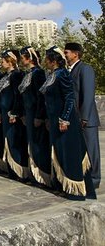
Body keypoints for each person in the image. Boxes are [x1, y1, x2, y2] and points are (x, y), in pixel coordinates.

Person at [41, 46, 96, 200]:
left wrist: (65, 118)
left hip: (65, 122)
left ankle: (75, 190)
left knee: (69, 154)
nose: (45, 61)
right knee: (60, 154)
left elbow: (69, 97)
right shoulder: (52, 75)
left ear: (53, 60)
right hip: (54, 120)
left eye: (47, 58)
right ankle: (63, 186)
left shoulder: (63, 73)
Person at [64, 42, 101, 190]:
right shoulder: (69, 71)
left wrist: (84, 117)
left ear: (75, 54)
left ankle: (94, 179)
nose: (65, 55)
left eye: (66, 52)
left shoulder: (85, 69)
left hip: (86, 120)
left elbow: (88, 95)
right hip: (74, 119)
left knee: (91, 151)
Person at [19, 46, 52, 187]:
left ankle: (43, 177)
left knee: (39, 145)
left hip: (35, 114)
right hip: (28, 113)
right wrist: (23, 113)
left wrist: (39, 116)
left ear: (29, 58)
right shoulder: (28, 73)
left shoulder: (38, 73)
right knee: (31, 144)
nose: (21, 61)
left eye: (23, 58)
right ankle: (34, 175)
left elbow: (40, 96)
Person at [0, 50, 29, 180]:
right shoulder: (5, 76)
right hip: (5, 113)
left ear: (10, 62)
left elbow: (17, 95)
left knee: (15, 141)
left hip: (12, 114)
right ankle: (11, 170)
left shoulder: (16, 75)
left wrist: (15, 112)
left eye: (3, 61)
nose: (1, 63)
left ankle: (20, 171)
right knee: (8, 140)